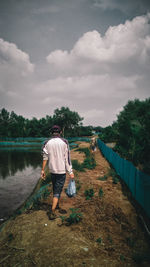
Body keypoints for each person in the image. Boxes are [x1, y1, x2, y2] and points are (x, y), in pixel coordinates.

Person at [41, 125, 74, 220]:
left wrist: (43, 170)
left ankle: (57, 205)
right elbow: (67, 158)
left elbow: (45, 158)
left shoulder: (46, 143)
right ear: (60, 132)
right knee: (57, 191)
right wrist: (70, 171)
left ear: (51, 133)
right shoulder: (64, 142)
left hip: (52, 170)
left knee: (55, 188)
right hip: (61, 171)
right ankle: (52, 211)